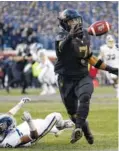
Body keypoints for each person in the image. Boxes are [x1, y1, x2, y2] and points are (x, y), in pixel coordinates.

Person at [55, 9, 118, 144]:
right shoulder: (60, 36)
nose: (76, 23)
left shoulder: (85, 34)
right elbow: (60, 51)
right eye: (72, 21)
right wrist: (70, 37)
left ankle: (77, 128)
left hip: (82, 75)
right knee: (72, 113)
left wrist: (113, 70)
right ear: (65, 24)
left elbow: (89, 57)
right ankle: (86, 131)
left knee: (85, 96)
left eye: (77, 20)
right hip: (65, 79)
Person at [0, 97, 74, 148]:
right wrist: (29, 121)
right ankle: (61, 126)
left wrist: (20, 103)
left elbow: (8, 115)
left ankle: (59, 128)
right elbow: (34, 136)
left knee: (42, 122)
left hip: (24, 128)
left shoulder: (2, 134)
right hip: (36, 132)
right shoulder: (10, 141)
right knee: (56, 116)